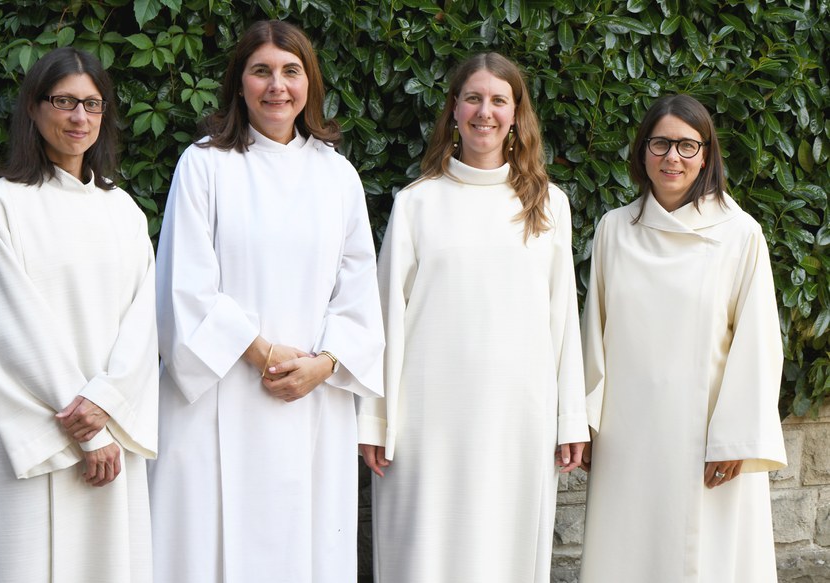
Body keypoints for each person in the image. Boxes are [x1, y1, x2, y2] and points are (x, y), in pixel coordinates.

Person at [147, 19, 384, 583]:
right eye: (261, 71)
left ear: (310, 84)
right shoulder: (204, 164)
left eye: (291, 71)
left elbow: (357, 294)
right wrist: (267, 354)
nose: (277, 86)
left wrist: (323, 364)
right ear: (239, 83)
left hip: (312, 401)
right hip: (217, 394)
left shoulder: (338, 175)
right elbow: (185, 286)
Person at [357, 52, 589, 583]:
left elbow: (562, 320)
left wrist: (570, 416)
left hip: (519, 417)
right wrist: (375, 419)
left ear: (516, 115)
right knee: (425, 550)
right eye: (474, 98)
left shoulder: (549, 205)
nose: (485, 112)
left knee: (504, 550)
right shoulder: (417, 203)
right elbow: (385, 318)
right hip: (427, 419)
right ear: (454, 111)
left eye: (498, 101)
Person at [0, 47, 159, 583]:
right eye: (64, 102)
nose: (79, 118)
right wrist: (87, 429)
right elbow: (11, 328)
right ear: (34, 107)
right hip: (42, 434)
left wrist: (108, 406)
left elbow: (144, 325)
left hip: (110, 431)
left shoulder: (125, 210)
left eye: (92, 105)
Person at [579, 94, 787, 582]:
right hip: (630, 437)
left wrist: (736, 437)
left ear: (707, 154)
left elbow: (757, 342)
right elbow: (595, 333)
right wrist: (587, 423)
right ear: (642, 152)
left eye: (687, 146)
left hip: (709, 442)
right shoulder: (614, 229)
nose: (673, 157)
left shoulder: (740, 234)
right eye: (661, 143)